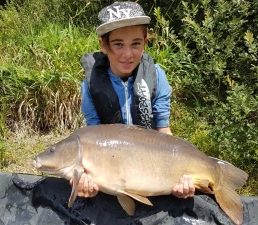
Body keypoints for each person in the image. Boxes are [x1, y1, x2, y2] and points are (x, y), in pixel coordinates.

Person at [71, 1, 195, 200]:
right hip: (113, 167)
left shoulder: (156, 76)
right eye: (118, 44)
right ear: (104, 45)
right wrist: (85, 178)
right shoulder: (90, 85)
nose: (127, 54)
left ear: (145, 42)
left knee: (186, 186)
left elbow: (164, 131)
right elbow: (92, 137)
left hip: (152, 161)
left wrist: (182, 178)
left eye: (136, 44)